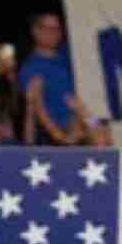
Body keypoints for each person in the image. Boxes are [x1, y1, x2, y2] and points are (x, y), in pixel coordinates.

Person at [18, 11, 76, 145]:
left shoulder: (68, 57)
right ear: (35, 31)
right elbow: (38, 109)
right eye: (48, 29)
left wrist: (92, 121)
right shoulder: (31, 67)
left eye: (57, 29)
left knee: (101, 128)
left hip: (82, 122)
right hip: (60, 133)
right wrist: (61, 137)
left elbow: (85, 112)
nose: (54, 33)